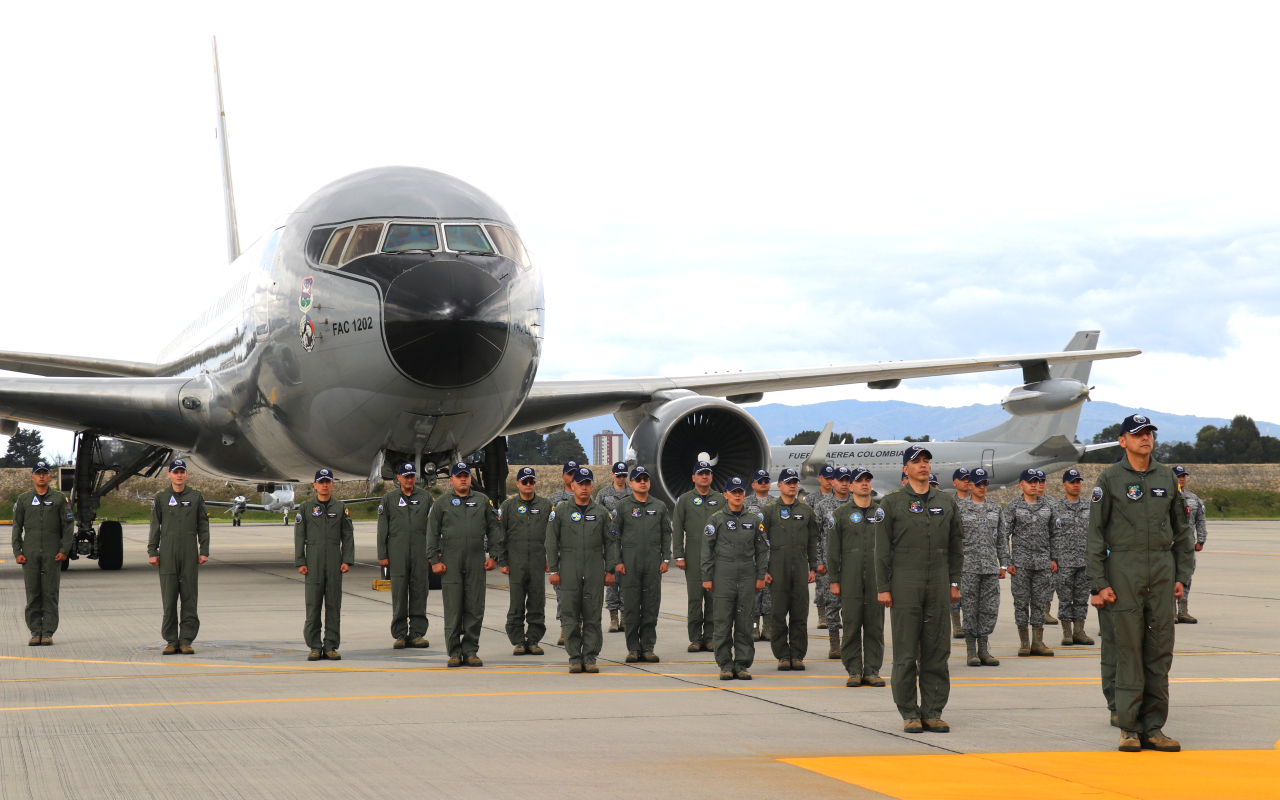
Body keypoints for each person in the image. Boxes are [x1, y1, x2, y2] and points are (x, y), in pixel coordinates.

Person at [1089, 415, 1194, 753]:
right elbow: (1094, 535)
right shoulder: (1109, 478)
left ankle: (1154, 727)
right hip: (1124, 569)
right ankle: (1129, 728)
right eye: (1137, 434)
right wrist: (1099, 582)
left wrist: (1182, 576)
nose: (1145, 438)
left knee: (1159, 650)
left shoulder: (1166, 476)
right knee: (1128, 650)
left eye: (1148, 433)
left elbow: (1182, 531)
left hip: (1162, 570)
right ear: (1122, 441)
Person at [875, 445, 963, 733]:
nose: (923, 465)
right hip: (904, 582)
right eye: (916, 462)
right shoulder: (891, 504)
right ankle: (909, 713)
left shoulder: (946, 502)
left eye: (926, 461)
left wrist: (953, 582)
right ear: (906, 469)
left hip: (938, 582)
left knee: (937, 650)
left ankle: (933, 711)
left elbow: (956, 547)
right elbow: (882, 550)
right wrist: (884, 587)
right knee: (905, 653)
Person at [426, 462, 501, 667]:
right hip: (450, 561)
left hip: (476, 559)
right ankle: (454, 652)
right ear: (451, 480)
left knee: (475, 607)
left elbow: (494, 529)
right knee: (453, 608)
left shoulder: (483, 501)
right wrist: (434, 560)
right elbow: (432, 532)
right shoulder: (441, 503)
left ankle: (471, 651)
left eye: (466, 476)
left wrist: (494, 555)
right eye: (458, 476)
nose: (463, 479)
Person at [546, 467, 619, 673]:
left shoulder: (602, 513)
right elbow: (551, 542)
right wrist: (553, 570)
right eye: (580, 483)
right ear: (573, 485)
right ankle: (574, 658)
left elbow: (611, 542)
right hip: (569, 565)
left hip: (595, 566)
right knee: (570, 614)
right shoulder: (560, 512)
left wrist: (610, 570)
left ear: (592, 486)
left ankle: (590, 657)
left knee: (593, 614)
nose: (584, 487)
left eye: (588, 483)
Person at [703, 476, 769, 680]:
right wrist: (707, 576)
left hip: (747, 576)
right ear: (726, 495)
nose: (738, 495)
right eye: (734, 492)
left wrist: (760, 575)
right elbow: (707, 550)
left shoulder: (753, 519)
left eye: (741, 492)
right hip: (723, 575)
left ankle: (742, 664)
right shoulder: (716, 519)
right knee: (722, 623)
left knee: (744, 623)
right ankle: (725, 664)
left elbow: (762, 550)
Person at [827, 467, 886, 687]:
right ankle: (853, 670)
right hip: (849, 577)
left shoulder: (881, 513)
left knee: (874, 625)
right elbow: (832, 549)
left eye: (867, 480)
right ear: (850, 486)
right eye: (859, 480)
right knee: (851, 625)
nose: (864, 483)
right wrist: (834, 579)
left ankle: (872, 670)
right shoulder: (840, 515)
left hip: (876, 578)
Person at [147, 458, 210, 655]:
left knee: (189, 597)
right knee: (169, 598)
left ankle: (186, 640)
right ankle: (171, 641)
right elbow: (155, 525)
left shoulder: (196, 496)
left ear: (186, 475)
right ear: (169, 475)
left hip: (189, 551)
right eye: (176, 472)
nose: (179, 475)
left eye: (182, 472)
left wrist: (204, 550)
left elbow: (203, 525)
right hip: (167, 552)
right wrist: (152, 551)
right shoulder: (161, 497)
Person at [760, 468, 820, 670]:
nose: (792, 485)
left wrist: (813, 566)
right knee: (777, 614)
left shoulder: (807, 511)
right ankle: (782, 655)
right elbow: (761, 542)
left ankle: (798, 654)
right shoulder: (769, 511)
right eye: (788, 482)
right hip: (777, 567)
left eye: (795, 482)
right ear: (780, 486)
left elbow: (813, 540)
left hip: (801, 567)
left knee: (799, 614)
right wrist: (763, 570)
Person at [613, 466, 671, 662]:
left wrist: (665, 559)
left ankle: (648, 647)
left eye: (645, 478)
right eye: (638, 479)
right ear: (631, 484)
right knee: (631, 607)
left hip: (653, 564)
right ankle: (633, 649)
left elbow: (666, 534)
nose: (643, 482)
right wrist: (617, 561)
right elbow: (615, 535)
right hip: (630, 564)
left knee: (650, 607)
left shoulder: (660, 506)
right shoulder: (623, 506)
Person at [294, 468, 354, 660]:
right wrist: (300, 561)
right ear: (314, 485)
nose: (325, 485)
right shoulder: (305, 508)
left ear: (333, 485)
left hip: (334, 562)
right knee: (313, 605)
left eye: (328, 481)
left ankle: (330, 646)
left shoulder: (340, 507)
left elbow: (348, 535)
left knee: (334, 604)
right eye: (321, 482)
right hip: (313, 561)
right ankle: (314, 646)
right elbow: (299, 536)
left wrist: (347, 559)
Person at [12, 461, 74, 646]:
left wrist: (64, 550)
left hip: (52, 551)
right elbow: (17, 527)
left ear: (50, 477)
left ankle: (47, 632)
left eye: (44, 473)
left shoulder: (59, 499)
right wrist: (17, 551)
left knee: (50, 593)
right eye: (37, 473)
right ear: (32, 477)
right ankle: (34, 631)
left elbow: (68, 526)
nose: (41, 476)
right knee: (33, 593)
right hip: (29, 552)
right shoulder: (23, 500)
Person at [496, 467, 553, 655]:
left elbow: (552, 536)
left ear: (535, 483)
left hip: (537, 562)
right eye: (525, 481)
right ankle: (518, 641)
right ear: (518, 483)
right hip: (516, 562)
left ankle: (534, 640)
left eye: (531, 481)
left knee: (537, 602)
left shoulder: (546, 506)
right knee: (517, 604)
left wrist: (550, 560)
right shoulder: (508, 507)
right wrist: (503, 561)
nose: (528, 485)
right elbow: (500, 536)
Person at [377, 462, 433, 650]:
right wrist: (383, 554)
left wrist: (434, 550)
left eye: (412, 476)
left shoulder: (426, 497)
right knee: (399, 593)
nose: (409, 479)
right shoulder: (389, 499)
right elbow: (382, 529)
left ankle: (417, 634)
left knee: (419, 591)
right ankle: (400, 634)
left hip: (420, 551)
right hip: (397, 552)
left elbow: (434, 526)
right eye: (405, 476)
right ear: (398, 478)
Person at [1001, 469, 1057, 657]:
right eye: (1030, 481)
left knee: (1040, 603)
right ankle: (1024, 643)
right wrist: (1007, 562)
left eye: (1037, 481)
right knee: (1021, 603)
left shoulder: (1048, 506)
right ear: (1021, 485)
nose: (1034, 484)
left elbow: (1055, 534)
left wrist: (1054, 558)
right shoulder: (1013, 506)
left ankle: (1038, 642)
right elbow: (1003, 535)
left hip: (1043, 564)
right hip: (1021, 565)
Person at [956, 467, 1006, 667]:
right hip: (967, 567)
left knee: (989, 609)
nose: (983, 487)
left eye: (985, 483)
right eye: (978, 483)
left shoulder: (995, 508)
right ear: (969, 485)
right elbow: (954, 540)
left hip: (989, 567)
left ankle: (984, 648)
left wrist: (1004, 563)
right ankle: (971, 650)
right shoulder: (959, 509)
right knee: (969, 609)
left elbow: (1001, 539)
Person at [672, 461, 722, 652]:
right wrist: (679, 555)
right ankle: (695, 638)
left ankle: (710, 637)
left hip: (716, 556)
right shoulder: (684, 500)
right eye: (700, 473)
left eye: (708, 473)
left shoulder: (720, 499)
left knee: (712, 599)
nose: (704, 476)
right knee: (694, 599)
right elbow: (677, 529)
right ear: (693, 477)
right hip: (693, 555)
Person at [1054, 468, 1093, 647]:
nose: (1076, 485)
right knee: (1065, 598)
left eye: (1078, 481)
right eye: (1072, 482)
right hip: (1064, 561)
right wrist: (1052, 558)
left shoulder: (1089, 506)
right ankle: (1067, 632)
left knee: (1081, 598)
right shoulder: (1056, 508)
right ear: (1064, 485)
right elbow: (1050, 534)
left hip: (1084, 560)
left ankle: (1079, 631)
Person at [595, 461, 632, 633]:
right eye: (618, 475)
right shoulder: (603, 494)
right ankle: (613, 618)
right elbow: (596, 516)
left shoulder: (632, 493)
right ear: (612, 475)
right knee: (611, 582)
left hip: (628, 543)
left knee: (625, 582)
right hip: (609, 543)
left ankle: (625, 617)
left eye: (624, 475)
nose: (621, 478)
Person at [547, 461, 579, 645]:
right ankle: (564, 628)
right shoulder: (553, 500)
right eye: (569, 473)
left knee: (581, 596)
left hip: (582, 556)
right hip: (561, 558)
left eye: (575, 473)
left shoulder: (588, 500)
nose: (572, 477)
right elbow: (549, 533)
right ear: (563, 476)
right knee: (563, 596)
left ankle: (579, 626)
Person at [1173, 466, 1207, 624]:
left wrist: (1200, 540)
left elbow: (1200, 519)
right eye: (1179, 476)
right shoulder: (1165, 497)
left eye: (1184, 476)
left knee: (1186, 576)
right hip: (1169, 545)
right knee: (1168, 577)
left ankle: (1183, 611)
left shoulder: (1193, 498)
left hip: (1187, 546)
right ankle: (1170, 611)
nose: (1182, 478)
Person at [745, 469, 774, 641]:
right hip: (752, 554)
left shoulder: (776, 504)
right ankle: (754, 629)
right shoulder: (746, 503)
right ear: (753, 484)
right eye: (760, 480)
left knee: (770, 595)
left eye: (766, 480)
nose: (763, 483)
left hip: (772, 554)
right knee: (754, 593)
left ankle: (768, 629)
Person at [809, 465, 837, 633]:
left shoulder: (839, 498)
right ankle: (822, 616)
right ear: (819, 478)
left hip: (834, 549)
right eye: (826, 477)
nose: (829, 481)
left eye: (831, 478)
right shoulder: (812, 499)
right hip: (820, 547)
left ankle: (835, 615)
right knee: (822, 584)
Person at [948, 467, 972, 639]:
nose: (966, 481)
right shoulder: (949, 504)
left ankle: (969, 625)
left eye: (968, 479)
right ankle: (956, 625)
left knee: (971, 595)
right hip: (956, 556)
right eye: (962, 479)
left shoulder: (977, 502)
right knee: (954, 590)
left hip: (974, 556)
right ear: (954, 482)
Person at [1034, 469, 1060, 625]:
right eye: (1037, 481)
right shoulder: (1025, 502)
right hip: (1030, 551)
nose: (1040, 484)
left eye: (1042, 481)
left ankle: (1045, 611)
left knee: (1049, 583)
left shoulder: (1052, 503)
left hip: (1048, 551)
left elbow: (1056, 530)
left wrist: (1055, 556)